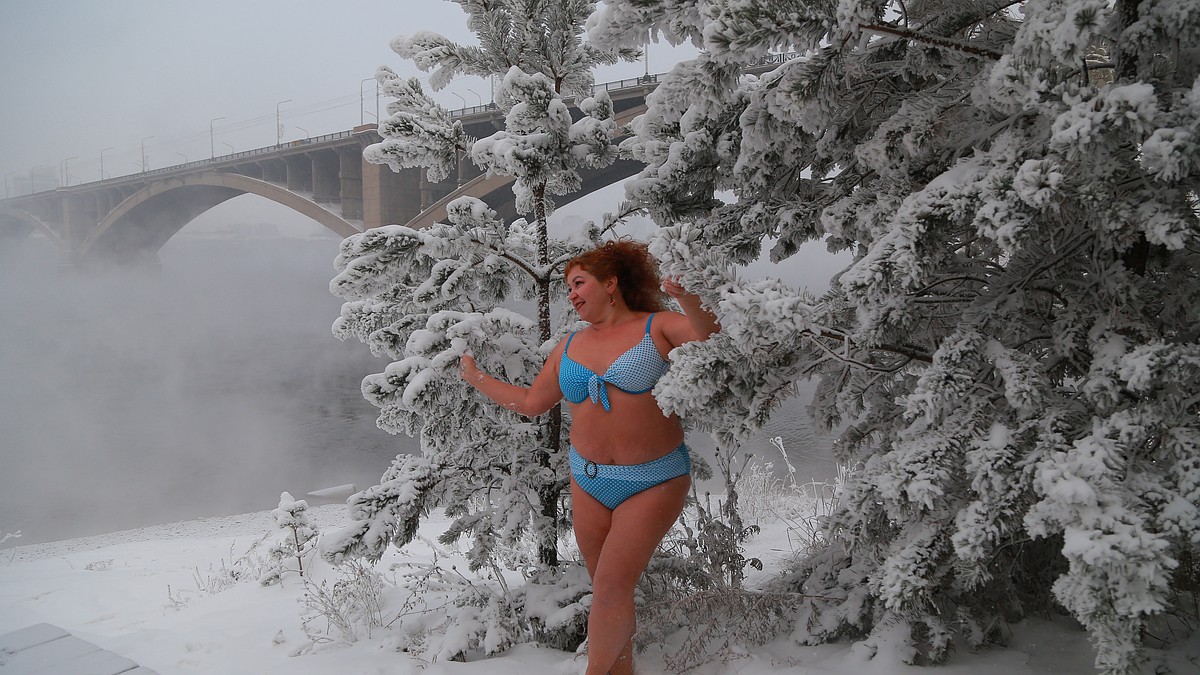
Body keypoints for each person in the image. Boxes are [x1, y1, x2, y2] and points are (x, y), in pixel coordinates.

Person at [460, 239, 720, 675]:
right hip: (589, 480)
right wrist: (476, 377)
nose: (573, 294)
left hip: (654, 479)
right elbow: (531, 403)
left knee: (613, 586)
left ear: (611, 282)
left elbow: (710, 340)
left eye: (579, 283)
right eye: (568, 288)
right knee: (607, 590)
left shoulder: (659, 326)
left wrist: (688, 297)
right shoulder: (569, 345)